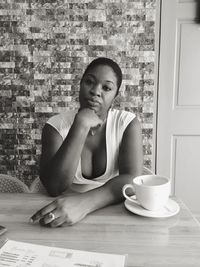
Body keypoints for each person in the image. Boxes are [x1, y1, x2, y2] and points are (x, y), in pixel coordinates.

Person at [30, 57, 143, 227]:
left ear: (115, 96)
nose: (96, 91)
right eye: (89, 82)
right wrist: (80, 125)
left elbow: (132, 180)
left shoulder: (127, 123)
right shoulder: (55, 126)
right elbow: (54, 187)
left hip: (112, 214)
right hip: (63, 214)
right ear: (80, 85)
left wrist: (84, 204)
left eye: (106, 88)